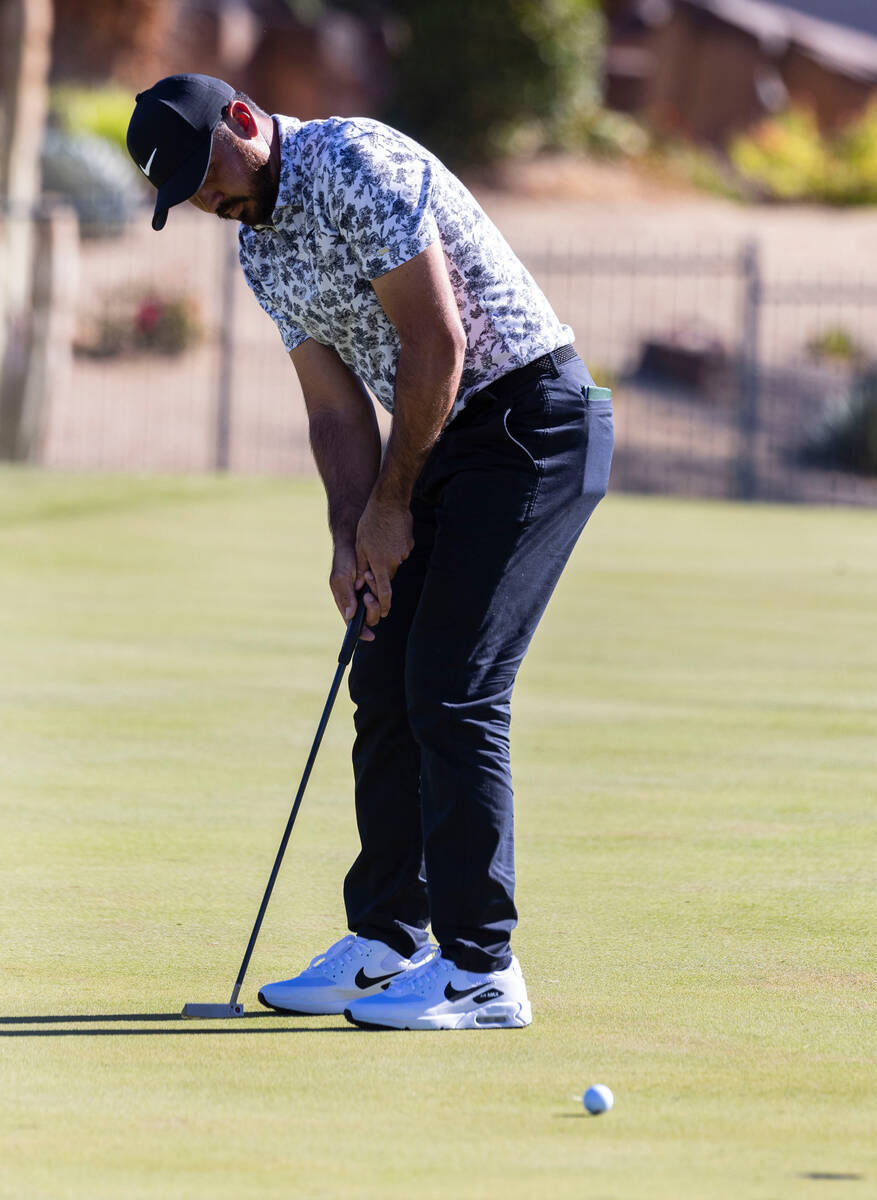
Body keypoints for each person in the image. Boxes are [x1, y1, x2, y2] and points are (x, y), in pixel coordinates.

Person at [126, 73, 614, 1031]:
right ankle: (390, 938)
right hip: (441, 440)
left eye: (205, 173)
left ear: (241, 121)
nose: (206, 201)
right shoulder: (259, 248)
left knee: (452, 684)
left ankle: (481, 971)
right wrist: (350, 538)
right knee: (382, 670)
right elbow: (333, 409)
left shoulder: (352, 161)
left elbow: (436, 345)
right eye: (184, 192)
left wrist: (393, 507)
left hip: (530, 423)